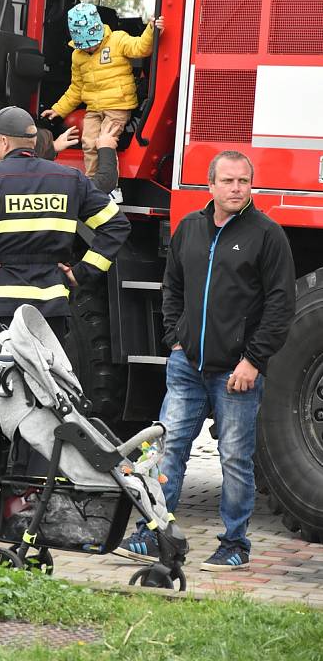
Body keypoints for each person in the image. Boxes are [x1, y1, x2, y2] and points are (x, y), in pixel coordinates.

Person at [0, 105, 130, 534]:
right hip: (48, 317)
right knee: (42, 409)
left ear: (2, 143)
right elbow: (115, 226)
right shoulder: (71, 179)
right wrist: (84, 272)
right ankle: (28, 512)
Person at [114, 150, 296, 570]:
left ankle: (235, 544)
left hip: (237, 372)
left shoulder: (267, 235)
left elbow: (280, 305)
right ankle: (151, 534)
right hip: (186, 368)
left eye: (244, 181)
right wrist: (174, 338)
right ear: (210, 185)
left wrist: (252, 360)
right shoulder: (190, 229)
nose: (237, 189)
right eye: (229, 181)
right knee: (167, 450)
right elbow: (172, 285)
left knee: (234, 458)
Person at [41, 2, 165, 198]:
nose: (90, 48)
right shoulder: (77, 56)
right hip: (93, 108)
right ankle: (93, 183)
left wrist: (151, 29)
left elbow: (140, 48)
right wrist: (59, 109)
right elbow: (76, 88)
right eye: (85, 46)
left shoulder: (117, 40)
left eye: (93, 43)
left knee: (105, 141)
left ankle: (111, 186)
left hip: (118, 105)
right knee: (89, 142)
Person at [36, 122, 120, 193]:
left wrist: (49, 149)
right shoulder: (59, 186)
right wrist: (106, 148)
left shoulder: (24, 182)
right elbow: (104, 183)